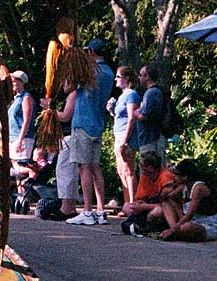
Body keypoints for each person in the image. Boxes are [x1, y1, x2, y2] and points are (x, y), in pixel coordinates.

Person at [66, 38, 115, 226]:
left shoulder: (88, 71)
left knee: (83, 167)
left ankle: (87, 211)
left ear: (92, 52)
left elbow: (67, 87)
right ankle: (101, 210)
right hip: (97, 123)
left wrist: (72, 68)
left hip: (83, 122)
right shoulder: (109, 72)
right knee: (95, 167)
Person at [40, 80, 78, 218]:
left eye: (66, 82)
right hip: (65, 137)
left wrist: (49, 109)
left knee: (65, 170)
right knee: (62, 170)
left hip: (69, 136)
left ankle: (67, 206)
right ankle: (66, 204)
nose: (63, 85)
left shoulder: (74, 94)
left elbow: (66, 116)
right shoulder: (68, 96)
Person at [159, 159, 217, 242]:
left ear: (185, 177)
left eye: (177, 175)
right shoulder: (183, 187)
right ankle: (175, 231)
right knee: (166, 203)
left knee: (187, 227)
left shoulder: (198, 188)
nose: (174, 177)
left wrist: (172, 230)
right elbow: (165, 198)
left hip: (206, 225)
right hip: (191, 221)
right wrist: (170, 186)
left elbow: (190, 214)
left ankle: (174, 232)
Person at [121, 150, 176, 235]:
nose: (140, 167)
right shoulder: (144, 177)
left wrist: (144, 206)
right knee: (126, 207)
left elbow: (167, 205)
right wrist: (139, 204)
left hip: (164, 208)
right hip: (149, 204)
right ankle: (137, 224)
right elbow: (141, 198)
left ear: (150, 168)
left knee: (156, 212)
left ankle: (144, 227)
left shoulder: (165, 177)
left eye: (141, 165)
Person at [107, 65, 140, 206]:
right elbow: (120, 116)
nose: (115, 79)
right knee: (121, 171)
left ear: (126, 78)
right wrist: (111, 110)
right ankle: (127, 203)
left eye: (118, 77)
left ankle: (133, 204)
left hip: (126, 137)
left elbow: (132, 117)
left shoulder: (131, 95)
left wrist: (125, 141)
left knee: (128, 170)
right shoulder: (121, 96)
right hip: (118, 134)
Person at [135, 63, 165, 160]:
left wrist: (135, 113)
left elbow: (144, 115)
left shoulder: (151, 93)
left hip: (149, 139)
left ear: (147, 76)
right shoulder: (157, 91)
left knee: (148, 170)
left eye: (140, 75)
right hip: (153, 138)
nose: (138, 78)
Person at [8, 70, 36, 171]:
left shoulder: (26, 98)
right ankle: (21, 187)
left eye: (14, 81)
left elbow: (27, 120)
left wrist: (20, 140)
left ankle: (33, 172)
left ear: (22, 82)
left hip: (23, 138)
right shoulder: (16, 99)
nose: (12, 84)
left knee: (21, 167)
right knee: (16, 172)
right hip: (13, 137)